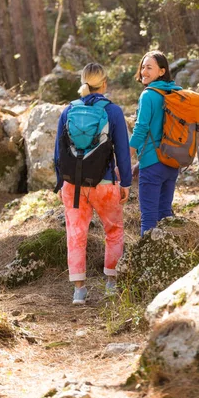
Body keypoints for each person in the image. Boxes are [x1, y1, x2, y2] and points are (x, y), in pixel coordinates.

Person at [54, 63, 131, 304]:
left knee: (76, 235)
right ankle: (111, 283)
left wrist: (59, 183)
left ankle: (79, 290)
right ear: (104, 83)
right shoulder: (113, 111)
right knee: (114, 231)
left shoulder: (68, 111)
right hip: (105, 183)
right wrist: (125, 182)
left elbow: (58, 152)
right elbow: (122, 151)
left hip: (73, 186)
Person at [129, 50, 182, 236]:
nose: (144, 71)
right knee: (165, 214)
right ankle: (170, 259)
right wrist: (138, 163)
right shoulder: (176, 92)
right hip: (172, 162)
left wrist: (127, 153)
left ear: (162, 71)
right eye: (143, 67)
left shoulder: (148, 95)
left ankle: (146, 262)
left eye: (149, 67)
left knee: (149, 218)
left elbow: (141, 128)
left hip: (152, 165)